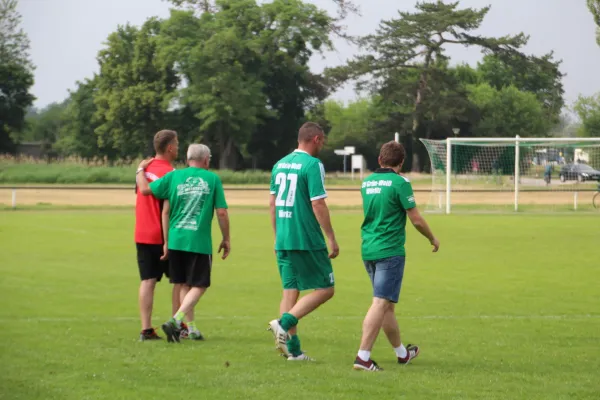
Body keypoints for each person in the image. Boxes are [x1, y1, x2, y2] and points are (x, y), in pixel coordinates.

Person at [353, 141, 440, 371]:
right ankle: (363, 357)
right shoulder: (400, 183)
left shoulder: (367, 182)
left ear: (380, 159)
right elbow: (416, 219)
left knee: (387, 306)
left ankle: (402, 354)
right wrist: (432, 238)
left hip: (368, 249)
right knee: (380, 302)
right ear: (400, 162)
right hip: (389, 251)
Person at [136, 144, 230, 343]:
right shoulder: (212, 179)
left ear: (188, 159)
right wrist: (226, 237)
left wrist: (139, 170)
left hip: (176, 240)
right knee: (201, 284)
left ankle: (192, 328)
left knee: (184, 284)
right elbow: (221, 212)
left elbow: (149, 193)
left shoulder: (174, 177)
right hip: (198, 241)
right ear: (206, 160)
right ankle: (176, 320)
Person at [267, 122, 339, 361]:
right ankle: (283, 323)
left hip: (284, 238)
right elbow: (317, 203)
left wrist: (277, 235)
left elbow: (272, 203)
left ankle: (294, 351)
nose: (323, 146)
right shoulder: (312, 164)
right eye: (323, 141)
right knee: (326, 289)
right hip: (306, 238)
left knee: (290, 291)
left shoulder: (279, 165)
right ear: (316, 139)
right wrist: (331, 237)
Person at [134, 129, 185, 341]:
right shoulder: (171, 173)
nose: (179, 148)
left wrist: (138, 170)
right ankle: (176, 324)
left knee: (148, 280)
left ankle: (146, 329)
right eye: (178, 144)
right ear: (170, 147)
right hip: (165, 235)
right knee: (179, 281)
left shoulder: (143, 170)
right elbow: (170, 208)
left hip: (142, 232)